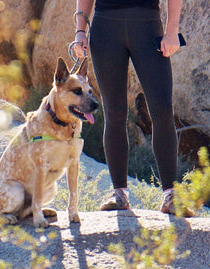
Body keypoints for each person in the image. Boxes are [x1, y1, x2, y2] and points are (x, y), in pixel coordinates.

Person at [73, 0, 183, 215]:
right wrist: (80, 30)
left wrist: (172, 31)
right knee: (114, 112)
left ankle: (171, 195)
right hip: (105, 28)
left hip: (147, 25)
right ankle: (119, 194)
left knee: (162, 110)